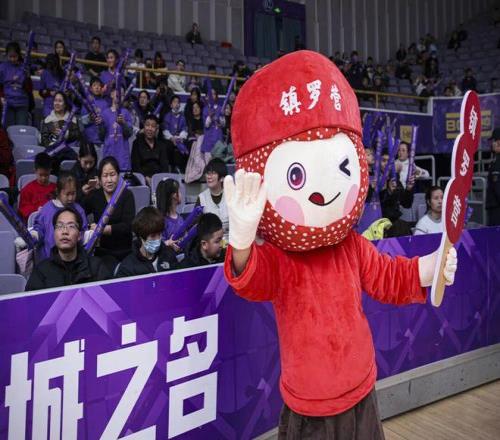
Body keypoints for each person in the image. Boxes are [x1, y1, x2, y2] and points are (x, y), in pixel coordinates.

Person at [223, 50, 458, 439]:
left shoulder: (350, 246)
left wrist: (432, 266)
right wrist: (243, 239)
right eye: (296, 175)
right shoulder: (281, 258)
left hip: (361, 388)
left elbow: (389, 277)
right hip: (310, 403)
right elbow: (251, 279)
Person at [26, 206, 110, 291]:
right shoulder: (41, 271)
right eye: (59, 226)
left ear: (79, 236)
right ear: (54, 234)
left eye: (71, 226)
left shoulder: (96, 267)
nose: (65, 231)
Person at [83, 157, 135, 264]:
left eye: (112, 174)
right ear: (99, 179)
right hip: (101, 252)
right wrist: (89, 227)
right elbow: (79, 212)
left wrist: (102, 229)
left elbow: (128, 226)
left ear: (118, 175)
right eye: (105, 176)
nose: (109, 180)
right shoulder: (95, 196)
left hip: (125, 251)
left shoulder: (127, 195)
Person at [31, 171, 88, 260]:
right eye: (67, 194)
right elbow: (39, 228)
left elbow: (83, 232)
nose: (70, 198)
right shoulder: (47, 208)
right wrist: (35, 234)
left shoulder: (79, 210)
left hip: (72, 259)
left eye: (73, 193)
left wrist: (87, 235)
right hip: (48, 259)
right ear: (58, 191)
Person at [116, 207, 177, 277]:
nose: (158, 239)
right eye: (153, 236)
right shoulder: (127, 267)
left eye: (159, 234)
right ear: (141, 237)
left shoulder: (169, 255)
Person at [379, 148, 415, 237]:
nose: (387, 164)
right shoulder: (374, 179)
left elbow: (406, 204)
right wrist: (388, 191)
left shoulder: (395, 180)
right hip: (378, 223)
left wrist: (408, 189)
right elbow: (381, 205)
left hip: (393, 223)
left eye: (389, 162)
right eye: (383, 161)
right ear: (378, 162)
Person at [99, 86, 134, 171]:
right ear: (111, 94)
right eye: (117, 91)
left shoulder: (126, 113)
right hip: (109, 154)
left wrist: (123, 123)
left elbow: (129, 133)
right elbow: (101, 136)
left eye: (122, 94)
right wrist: (100, 125)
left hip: (122, 157)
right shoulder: (104, 113)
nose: (119, 94)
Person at [0, 41, 34, 127]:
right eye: (10, 56)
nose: (12, 59)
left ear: (19, 55)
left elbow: (29, 89)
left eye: (14, 56)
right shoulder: (2, 67)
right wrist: (1, 97)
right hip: (8, 103)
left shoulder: (24, 67)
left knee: (21, 129)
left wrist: (27, 77)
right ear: (6, 55)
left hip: (22, 103)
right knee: (8, 129)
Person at [131, 114, 170, 183]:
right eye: (147, 125)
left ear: (157, 129)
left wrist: (157, 180)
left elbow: (165, 167)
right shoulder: (136, 143)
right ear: (144, 127)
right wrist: (145, 178)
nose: (150, 129)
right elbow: (135, 166)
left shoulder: (161, 145)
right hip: (141, 180)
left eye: (153, 126)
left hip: (159, 180)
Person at [18, 153, 56, 223]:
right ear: (35, 171)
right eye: (41, 175)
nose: (43, 178)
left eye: (46, 175)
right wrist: (37, 209)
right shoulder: (27, 189)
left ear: (50, 170)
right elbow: (23, 209)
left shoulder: (55, 188)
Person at [196, 158, 228, 234]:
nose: (209, 176)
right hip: (210, 239)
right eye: (208, 173)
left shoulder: (231, 194)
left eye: (213, 173)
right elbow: (197, 225)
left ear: (222, 178)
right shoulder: (202, 197)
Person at [80, 76, 108, 146]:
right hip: (90, 141)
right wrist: (90, 118)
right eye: (94, 85)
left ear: (101, 88)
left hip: (103, 141)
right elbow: (82, 121)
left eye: (99, 85)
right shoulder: (86, 102)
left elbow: (108, 120)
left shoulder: (105, 103)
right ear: (90, 88)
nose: (97, 87)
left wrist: (103, 120)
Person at [162, 95, 188, 172]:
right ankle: (170, 167)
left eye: (178, 102)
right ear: (171, 105)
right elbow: (165, 130)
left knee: (185, 146)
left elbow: (184, 128)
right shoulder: (167, 116)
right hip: (170, 139)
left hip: (180, 139)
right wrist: (171, 138)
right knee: (168, 146)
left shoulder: (183, 117)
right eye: (174, 102)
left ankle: (181, 169)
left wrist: (180, 137)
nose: (176, 104)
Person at [156, 178, 183, 250]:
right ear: (174, 195)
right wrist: (167, 243)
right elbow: (156, 245)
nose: (181, 194)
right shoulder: (161, 221)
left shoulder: (180, 218)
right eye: (179, 191)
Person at [39, 53, 64, 118]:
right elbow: (41, 92)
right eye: (49, 65)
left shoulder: (63, 74)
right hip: (48, 106)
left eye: (54, 65)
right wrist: (49, 92)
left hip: (60, 105)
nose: (52, 68)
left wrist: (58, 93)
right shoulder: (45, 73)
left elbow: (65, 90)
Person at [486, 128, 500, 226]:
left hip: (497, 208)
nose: (492, 144)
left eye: (493, 141)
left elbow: (498, 187)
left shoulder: (498, 162)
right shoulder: (496, 159)